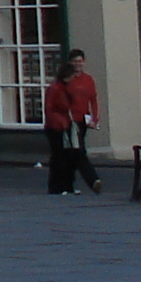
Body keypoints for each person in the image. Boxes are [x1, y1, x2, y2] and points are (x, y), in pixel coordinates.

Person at [44, 51, 102, 195]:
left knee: (74, 153)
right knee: (71, 154)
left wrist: (94, 118)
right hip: (66, 122)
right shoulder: (59, 86)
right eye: (75, 61)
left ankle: (69, 185)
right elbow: (52, 108)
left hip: (79, 121)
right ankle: (81, 182)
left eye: (80, 61)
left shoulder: (87, 80)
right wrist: (62, 121)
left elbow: (93, 99)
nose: (78, 64)